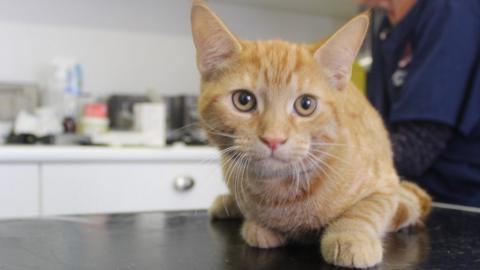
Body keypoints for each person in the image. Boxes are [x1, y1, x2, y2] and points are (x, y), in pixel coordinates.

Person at [355, 0, 480, 207]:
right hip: (407, 194)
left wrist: (331, 163)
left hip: (459, 204)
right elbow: (376, 130)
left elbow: (418, 146)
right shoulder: (385, 28)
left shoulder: (449, 11)